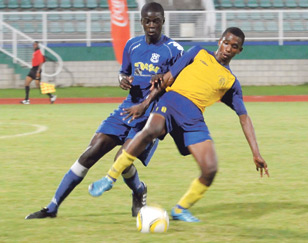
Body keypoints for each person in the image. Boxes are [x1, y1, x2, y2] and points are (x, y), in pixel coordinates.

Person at [88, 27, 270, 222]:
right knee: (151, 130)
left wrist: (256, 153)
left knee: (210, 169)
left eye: (234, 46)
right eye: (226, 43)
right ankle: (109, 178)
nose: (228, 48)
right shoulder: (198, 52)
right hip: (172, 102)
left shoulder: (231, 82)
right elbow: (167, 79)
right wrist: (144, 104)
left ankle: (180, 209)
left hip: (193, 118)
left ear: (239, 51)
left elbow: (244, 117)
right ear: (219, 41)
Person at [25, 2, 183, 219]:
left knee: (122, 157)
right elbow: (123, 72)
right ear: (142, 22)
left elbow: (181, 85)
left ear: (163, 21)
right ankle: (52, 207)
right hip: (128, 107)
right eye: (148, 21)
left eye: (156, 21)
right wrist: (122, 80)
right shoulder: (132, 45)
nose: (152, 25)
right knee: (92, 150)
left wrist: (164, 83)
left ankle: (138, 190)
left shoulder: (174, 50)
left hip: (152, 114)